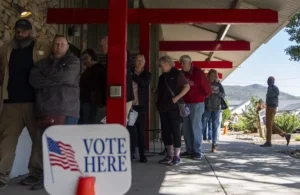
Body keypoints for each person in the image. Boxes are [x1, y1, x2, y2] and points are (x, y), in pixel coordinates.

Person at [0, 19, 51, 190]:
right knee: (6, 140)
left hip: (35, 102)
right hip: (11, 102)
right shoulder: (6, 48)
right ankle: (1, 176)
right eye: (17, 31)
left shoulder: (43, 47)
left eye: (23, 31)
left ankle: (36, 174)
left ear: (30, 31)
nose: (20, 34)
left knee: (37, 139)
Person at [29, 35, 81, 190]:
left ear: (67, 46)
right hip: (45, 109)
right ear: (52, 46)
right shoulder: (43, 63)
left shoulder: (74, 61)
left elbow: (66, 75)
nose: (59, 46)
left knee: (65, 148)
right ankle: (48, 180)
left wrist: (47, 76)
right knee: (48, 148)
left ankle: (65, 181)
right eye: (56, 43)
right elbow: (33, 80)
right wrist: (57, 79)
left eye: (62, 44)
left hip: (67, 109)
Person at [156, 56, 190, 166]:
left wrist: (176, 98)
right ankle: (169, 155)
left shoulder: (178, 74)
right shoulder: (162, 77)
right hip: (163, 108)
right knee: (166, 132)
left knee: (176, 132)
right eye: (160, 65)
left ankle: (177, 156)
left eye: (163, 64)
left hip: (174, 108)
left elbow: (187, 86)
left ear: (169, 63)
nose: (161, 67)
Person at [179, 55, 211, 159]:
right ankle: (189, 149)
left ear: (190, 62)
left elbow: (207, 89)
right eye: (181, 63)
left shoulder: (198, 72)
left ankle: (197, 151)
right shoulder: (181, 74)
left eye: (184, 62)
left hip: (196, 103)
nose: (182, 65)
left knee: (196, 126)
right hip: (184, 103)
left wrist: (200, 98)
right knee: (186, 127)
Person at [99, 36, 134, 119]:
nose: (100, 49)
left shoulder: (119, 56)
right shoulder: (112, 56)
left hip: (121, 96)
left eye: (101, 45)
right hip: (118, 95)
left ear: (109, 44)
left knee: (119, 122)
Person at [128, 54, 151, 163]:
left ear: (145, 62)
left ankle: (142, 154)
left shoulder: (147, 74)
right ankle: (132, 152)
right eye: (137, 60)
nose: (139, 62)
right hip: (130, 106)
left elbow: (143, 83)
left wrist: (132, 75)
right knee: (131, 130)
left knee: (141, 131)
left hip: (141, 106)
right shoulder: (129, 72)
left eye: (141, 60)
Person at [260, 77, 291, 147]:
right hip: (269, 107)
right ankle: (285, 135)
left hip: (272, 107)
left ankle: (268, 142)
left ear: (273, 81)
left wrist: (270, 87)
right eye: (267, 81)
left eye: (269, 81)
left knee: (269, 124)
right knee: (270, 124)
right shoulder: (269, 88)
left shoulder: (274, 88)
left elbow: (270, 95)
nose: (267, 82)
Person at [79, 49, 106, 124]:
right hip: (84, 100)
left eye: (86, 58)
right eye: (83, 59)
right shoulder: (88, 70)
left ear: (92, 57)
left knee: (88, 123)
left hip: (92, 102)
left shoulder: (100, 69)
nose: (84, 61)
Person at [202, 69, 225, 152]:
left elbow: (223, 95)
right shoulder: (205, 84)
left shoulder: (219, 84)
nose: (213, 77)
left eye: (215, 76)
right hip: (206, 107)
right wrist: (208, 94)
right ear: (208, 76)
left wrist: (217, 92)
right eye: (211, 75)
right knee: (202, 125)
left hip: (216, 108)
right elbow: (202, 94)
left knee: (215, 126)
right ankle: (198, 144)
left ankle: (214, 145)